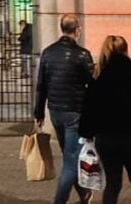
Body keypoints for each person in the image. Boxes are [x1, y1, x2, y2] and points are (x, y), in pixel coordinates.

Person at [79, 36, 131, 204]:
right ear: (126, 51)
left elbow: (87, 112)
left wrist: (88, 133)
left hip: (106, 140)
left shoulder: (99, 80)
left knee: (113, 183)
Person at [34, 14, 95, 204]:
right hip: (74, 112)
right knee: (70, 161)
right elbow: (91, 85)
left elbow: (41, 84)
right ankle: (60, 200)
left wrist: (39, 112)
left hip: (55, 112)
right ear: (77, 29)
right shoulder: (82, 54)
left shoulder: (48, 52)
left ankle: (83, 193)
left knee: (70, 154)